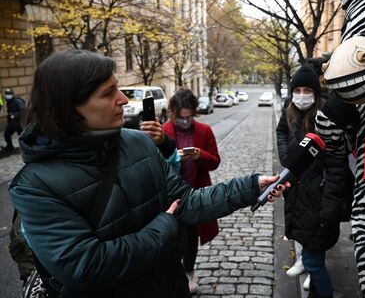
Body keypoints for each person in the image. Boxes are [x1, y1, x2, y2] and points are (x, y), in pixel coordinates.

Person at [9, 49, 288, 298]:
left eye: (118, 88)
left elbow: (185, 202)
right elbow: (86, 266)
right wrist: (164, 227)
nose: (122, 99)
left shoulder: (137, 142)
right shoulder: (34, 185)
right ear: (69, 107)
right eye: (108, 93)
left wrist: (250, 186)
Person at [276, 65, 353, 298]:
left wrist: (329, 210)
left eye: (306, 89)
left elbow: (337, 169)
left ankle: (324, 291)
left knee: (313, 258)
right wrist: (286, 156)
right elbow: (281, 132)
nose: (301, 95)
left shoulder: (326, 118)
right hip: (299, 195)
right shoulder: (290, 113)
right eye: (297, 90)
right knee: (309, 252)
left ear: (316, 92)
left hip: (318, 200)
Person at [140, 88, 220, 294]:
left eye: (189, 117)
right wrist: (171, 156)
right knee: (173, 237)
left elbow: (214, 162)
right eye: (181, 118)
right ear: (173, 112)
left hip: (195, 193)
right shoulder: (163, 131)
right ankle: (172, 275)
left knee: (192, 236)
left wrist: (199, 155)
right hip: (168, 195)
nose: (185, 122)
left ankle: (189, 272)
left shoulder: (204, 131)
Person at [1, 87, 25, 154]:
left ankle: (26, 149)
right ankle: (9, 147)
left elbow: (23, 110)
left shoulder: (17, 101)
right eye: (6, 94)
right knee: (7, 134)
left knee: (22, 137)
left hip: (18, 123)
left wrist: (15, 115)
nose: (7, 95)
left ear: (12, 94)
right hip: (11, 123)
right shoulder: (8, 101)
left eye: (9, 93)